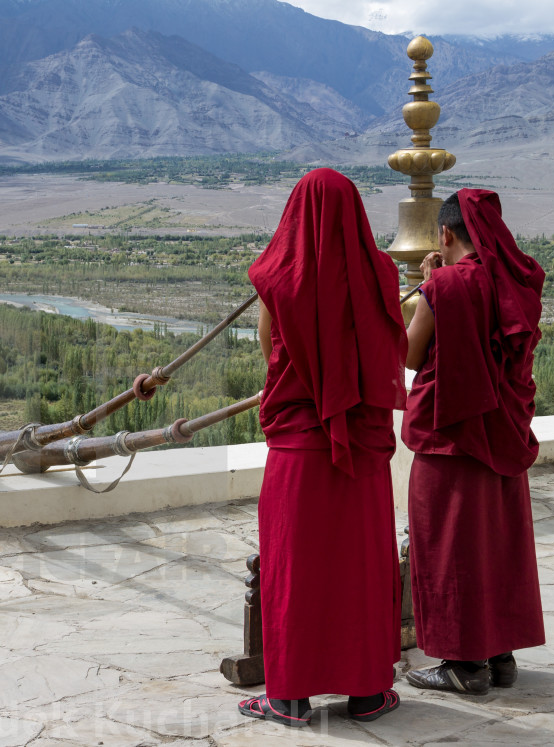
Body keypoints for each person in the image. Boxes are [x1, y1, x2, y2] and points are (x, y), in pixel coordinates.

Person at [237, 168, 408, 727]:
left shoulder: (279, 278)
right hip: (361, 448)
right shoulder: (379, 273)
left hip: (298, 447)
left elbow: (269, 345)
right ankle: (367, 694)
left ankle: (288, 698)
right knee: (362, 565)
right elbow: (394, 343)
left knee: (296, 569)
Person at [402, 189, 546, 695]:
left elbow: (412, 355)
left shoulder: (446, 286)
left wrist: (427, 287)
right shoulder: (517, 284)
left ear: (445, 234)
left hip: (453, 437)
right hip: (504, 434)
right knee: (495, 543)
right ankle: (500, 656)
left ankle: (462, 666)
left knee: (450, 548)